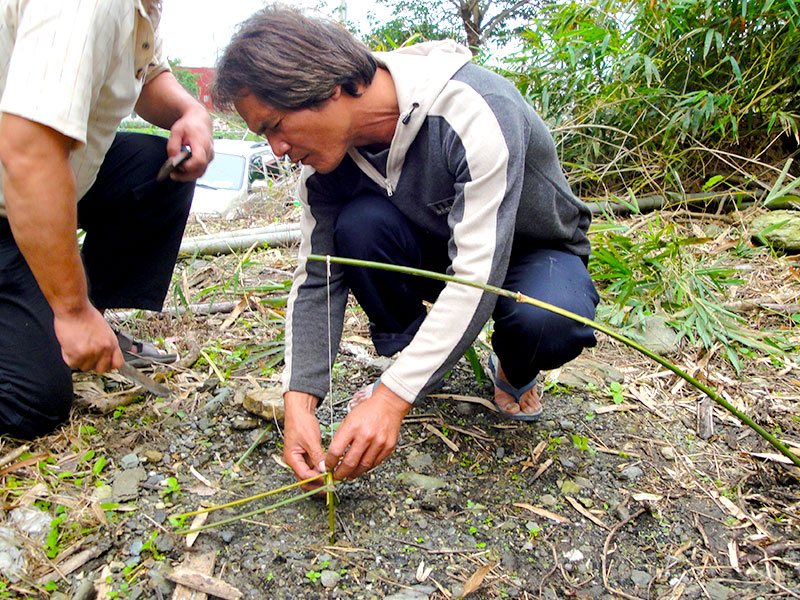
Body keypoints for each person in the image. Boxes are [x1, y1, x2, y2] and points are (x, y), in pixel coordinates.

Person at [212, 5, 599, 487]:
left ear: (324, 88)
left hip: (531, 251)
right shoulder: (323, 170)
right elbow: (318, 277)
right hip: (439, 245)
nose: (277, 150)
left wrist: (392, 400)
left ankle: (514, 367)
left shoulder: (473, 109)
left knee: (547, 320)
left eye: (274, 126)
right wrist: (300, 399)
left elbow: (476, 278)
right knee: (358, 229)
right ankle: (416, 360)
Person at [0, 0, 214, 438]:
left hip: (42, 178)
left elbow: (149, 72)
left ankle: (84, 321)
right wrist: (71, 311)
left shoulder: (138, 7)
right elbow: (28, 153)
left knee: (157, 172)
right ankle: (69, 321)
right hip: (13, 192)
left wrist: (191, 112)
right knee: (31, 400)